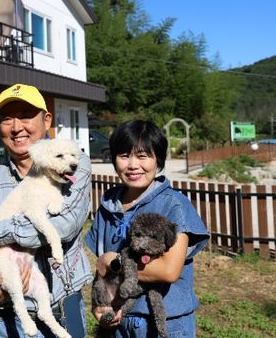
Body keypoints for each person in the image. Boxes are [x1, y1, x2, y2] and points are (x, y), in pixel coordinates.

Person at [0, 83, 93, 337]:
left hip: (63, 314)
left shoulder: (75, 165)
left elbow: (64, 225)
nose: (16, 127)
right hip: (2, 323)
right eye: (7, 118)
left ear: (47, 119)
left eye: (25, 115)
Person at [85, 120, 209, 337]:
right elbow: (101, 270)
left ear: (158, 159)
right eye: (124, 155)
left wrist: (114, 263)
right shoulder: (108, 205)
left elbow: (168, 270)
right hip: (118, 323)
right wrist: (100, 304)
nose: (133, 165)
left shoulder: (173, 205)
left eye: (143, 156)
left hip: (164, 323)